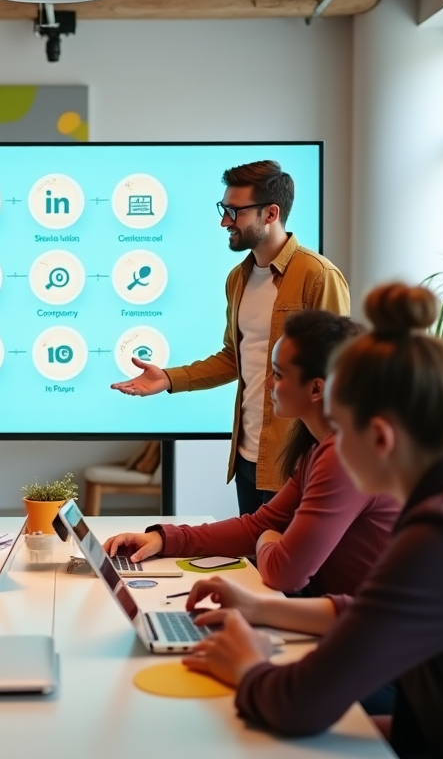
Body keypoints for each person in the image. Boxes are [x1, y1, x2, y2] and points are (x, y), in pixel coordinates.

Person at [180, 284, 443, 758]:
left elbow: (298, 705)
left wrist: (247, 665)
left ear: (378, 437)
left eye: (338, 427)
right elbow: (372, 613)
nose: (329, 445)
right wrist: (257, 608)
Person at [111, 160, 350, 516]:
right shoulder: (238, 278)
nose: (225, 221)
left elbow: (339, 374)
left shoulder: (318, 276)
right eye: (224, 210)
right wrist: (169, 378)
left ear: (271, 213)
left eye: (234, 212)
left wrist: (325, 460)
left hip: (296, 463)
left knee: (291, 569)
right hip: (247, 460)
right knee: (255, 566)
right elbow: (232, 357)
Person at [104, 310, 398, 597]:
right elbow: (258, 524)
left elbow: (285, 572)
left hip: (376, 633)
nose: (268, 382)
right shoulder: (321, 448)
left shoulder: (346, 455)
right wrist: (163, 538)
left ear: (316, 389)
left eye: (279, 375)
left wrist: (268, 539)